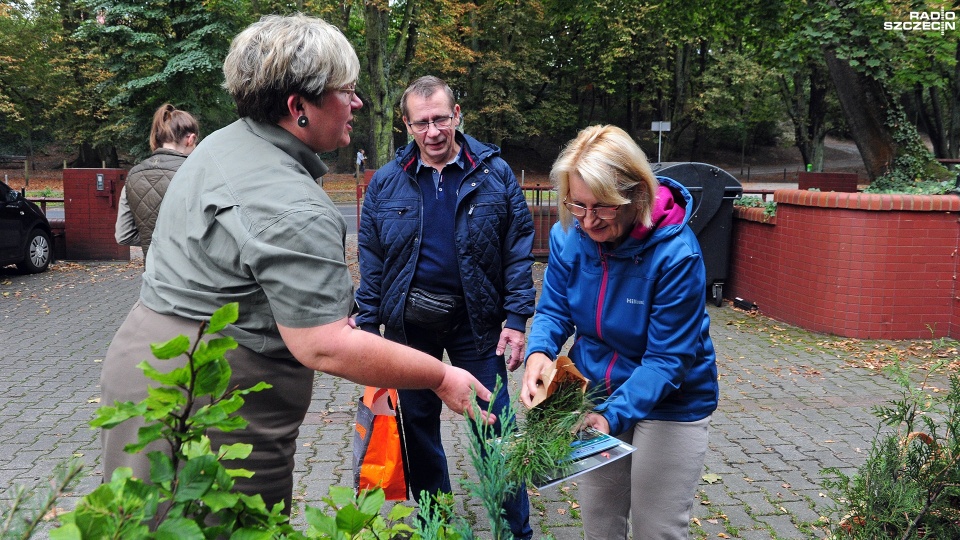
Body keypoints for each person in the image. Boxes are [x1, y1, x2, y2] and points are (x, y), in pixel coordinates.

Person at [99, 15, 495, 513]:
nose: (357, 103)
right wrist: (439, 377)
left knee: (141, 518)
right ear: (297, 107)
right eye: (345, 91)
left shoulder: (226, 142)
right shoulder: (293, 206)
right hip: (211, 398)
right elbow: (325, 346)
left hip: (147, 363)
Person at [356, 75, 535, 539]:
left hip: (476, 322)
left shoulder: (494, 174)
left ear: (458, 115)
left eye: (440, 119)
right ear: (406, 125)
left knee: (493, 426)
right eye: (421, 123)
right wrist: (366, 318)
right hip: (408, 328)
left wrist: (516, 319)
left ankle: (516, 530)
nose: (433, 132)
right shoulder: (387, 182)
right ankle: (437, 526)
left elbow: (518, 250)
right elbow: (372, 254)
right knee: (417, 429)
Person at [520, 125, 718, 540]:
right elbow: (555, 309)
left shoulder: (676, 255)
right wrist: (539, 350)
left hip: (671, 401)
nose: (588, 220)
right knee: (600, 521)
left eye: (603, 208)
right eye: (577, 205)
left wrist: (608, 418)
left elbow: (667, 362)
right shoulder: (568, 236)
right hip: (600, 390)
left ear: (636, 197)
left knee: (656, 527)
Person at [114, 103, 199, 258]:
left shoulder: (133, 175)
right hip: (192, 276)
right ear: (191, 139)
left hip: (153, 277)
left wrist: (153, 239)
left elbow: (123, 235)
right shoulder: (196, 172)